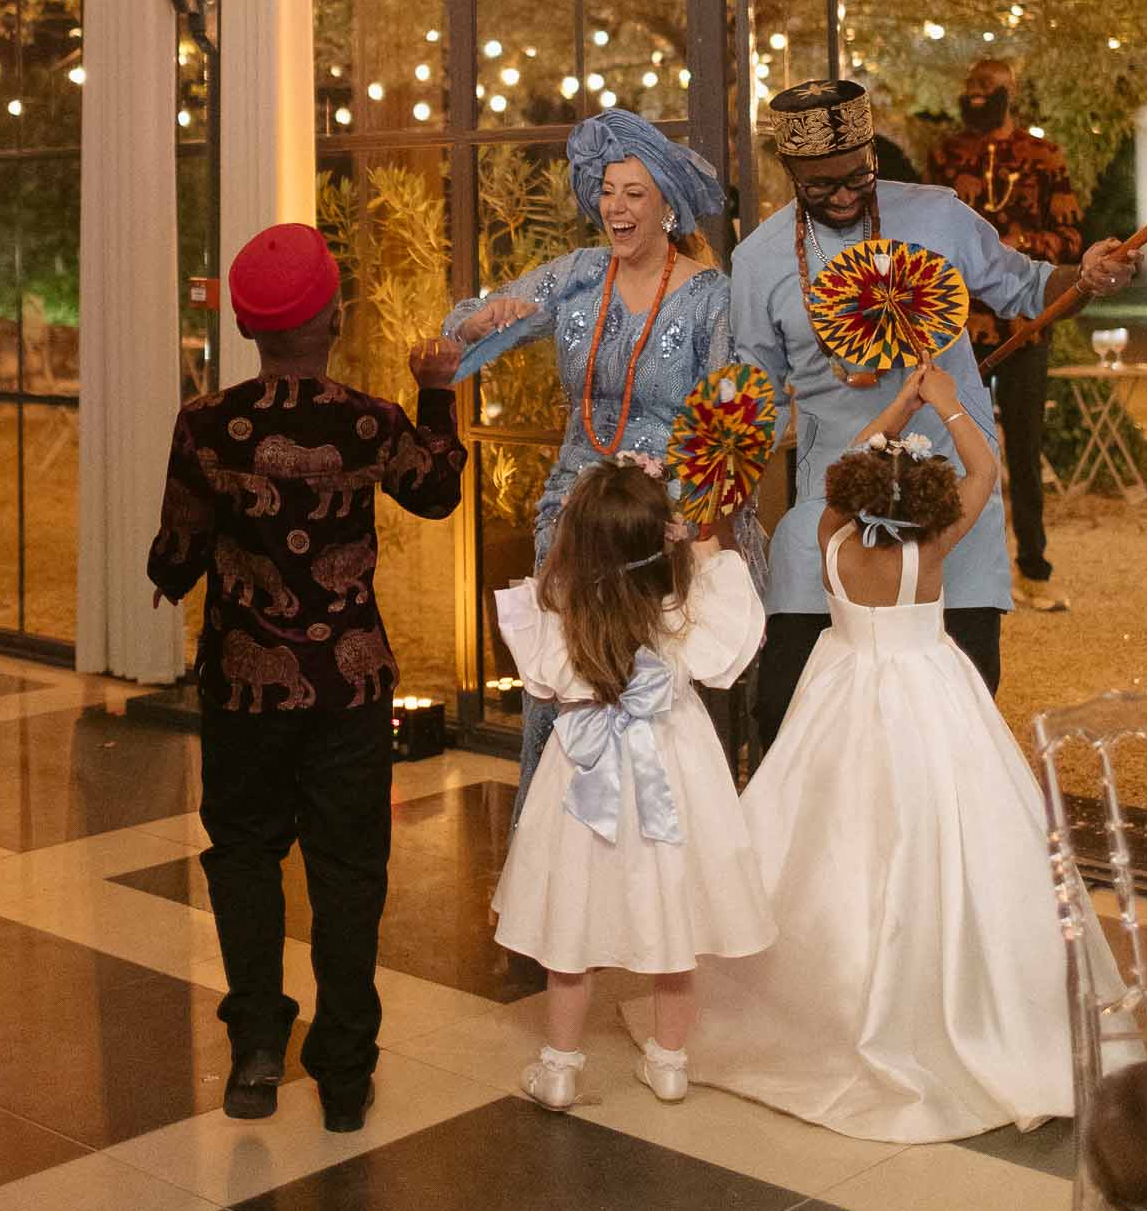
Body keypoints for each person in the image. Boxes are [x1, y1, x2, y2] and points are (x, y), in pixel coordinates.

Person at [663, 360, 1125, 1141]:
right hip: (928, 693)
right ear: (928, 504)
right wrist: (943, 407)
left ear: (855, 494)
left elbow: (845, 474)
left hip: (840, 692)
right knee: (950, 835)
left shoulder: (830, 535)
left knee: (829, 840)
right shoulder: (934, 548)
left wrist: (894, 412)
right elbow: (983, 467)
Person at [147, 223, 466, 1133]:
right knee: (349, 871)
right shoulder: (366, 421)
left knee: (244, 856)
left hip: (244, 691)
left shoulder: (208, 423)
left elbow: (178, 549)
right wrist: (435, 393)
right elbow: (436, 490)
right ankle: (343, 1068)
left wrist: (172, 576)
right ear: (331, 316)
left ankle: (255, 1051)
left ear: (249, 327)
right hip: (350, 689)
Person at [731, 77, 1139, 744]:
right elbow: (753, 389)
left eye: (854, 178)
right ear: (789, 173)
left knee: (960, 711)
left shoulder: (939, 214)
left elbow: (1030, 288)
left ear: (871, 155)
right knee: (788, 711)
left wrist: (1087, 276)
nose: (840, 197)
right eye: (819, 186)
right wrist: (710, 493)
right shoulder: (758, 260)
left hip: (956, 494)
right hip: (833, 509)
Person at [440, 108, 732, 818]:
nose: (615, 206)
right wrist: (479, 320)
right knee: (566, 680)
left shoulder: (708, 296)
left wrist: (694, 521)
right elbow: (472, 325)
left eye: (633, 192)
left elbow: (728, 417)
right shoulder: (576, 276)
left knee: (648, 683)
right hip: (571, 512)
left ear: (665, 204)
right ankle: (557, 858)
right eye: (606, 191)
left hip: (655, 524)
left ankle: (651, 848)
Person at [490, 456, 774, 1111]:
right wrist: (701, 538)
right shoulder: (685, 611)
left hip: (582, 772)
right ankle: (669, 1061)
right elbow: (725, 595)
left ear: (577, 546)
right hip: (673, 767)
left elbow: (542, 675)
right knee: (673, 911)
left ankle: (559, 1068)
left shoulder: (558, 611)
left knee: (573, 917)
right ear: (661, 544)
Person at [926, 57, 1083, 614]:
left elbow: (1068, 238)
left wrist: (1010, 249)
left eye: (986, 89)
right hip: (956, 332)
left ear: (1009, 93)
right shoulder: (946, 155)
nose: (974, 96)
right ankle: (944, 570)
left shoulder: (1043, 156)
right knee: (946, 446)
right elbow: (928, 234)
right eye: (968, 87)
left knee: (1023, 448)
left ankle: (1033, 569)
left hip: (1024, 330)